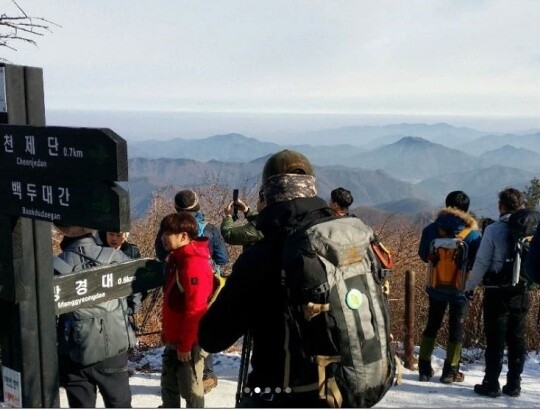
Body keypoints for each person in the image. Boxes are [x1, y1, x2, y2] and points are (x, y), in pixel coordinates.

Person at [199, 149, 337, 407]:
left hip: (281, 392)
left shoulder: (263, 257)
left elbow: (212, 337)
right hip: (341, 389)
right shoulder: (341, 240)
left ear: (268, 194)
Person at [154, 189, 228, 392]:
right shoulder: (210, 228)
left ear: (177, 208)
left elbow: (161, 254)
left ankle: (181, 380)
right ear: (198, 206)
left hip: (174, 284)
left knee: (182, 319)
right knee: (202, 323)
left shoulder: (169, 229)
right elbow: (223, 258)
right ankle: (205, 374)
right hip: (209, 286)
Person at [53, 224, 133, 408]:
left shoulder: (55, 265)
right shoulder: (115, 257)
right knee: (119, 404)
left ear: (62, 231)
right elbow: (133, 292)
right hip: (114, 344)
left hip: (75, 350)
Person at [465, 187, 530, 398]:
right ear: (521, 205)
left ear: (501, 206)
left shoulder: (494, 230)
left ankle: (491, 383)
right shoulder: (530, 229)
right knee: (517, 338)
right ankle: (514, 384)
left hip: (496, 292)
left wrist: (470, 287)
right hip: (521, 290)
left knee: (495, 339)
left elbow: (482, 262)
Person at [417, 191, 481, 383]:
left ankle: (424, 367)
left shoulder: (431, 229)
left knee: (432, 324)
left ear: (446, 205)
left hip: (436, 286)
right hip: (460, 289)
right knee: (456, 329)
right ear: (466, 210)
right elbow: (477, 261)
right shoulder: (473, 234)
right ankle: (450, 371)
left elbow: (422, 255)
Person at [159, 212, 214, 408]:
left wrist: (186, 345)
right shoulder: (177, 259)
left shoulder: (193, 264)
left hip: (189, 343)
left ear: (183, 236)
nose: (163, 237)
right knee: (169, 389)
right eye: (163, 232)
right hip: (175, 339)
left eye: (168, 233)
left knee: (192, 393)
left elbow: (196, 309)